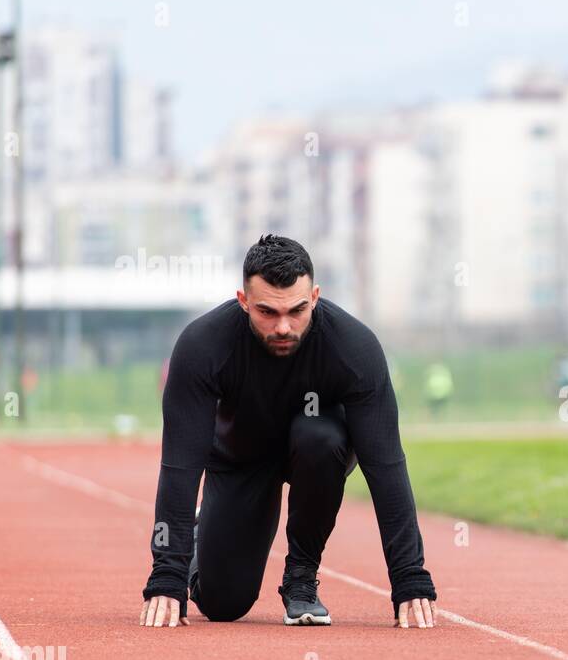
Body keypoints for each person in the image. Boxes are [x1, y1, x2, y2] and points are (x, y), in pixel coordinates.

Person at [138, 234, 437, 630]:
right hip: (241, 459)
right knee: (223, 603)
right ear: (243, 301)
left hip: (318, 448)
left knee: (320, 436)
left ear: (314, 296)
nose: (283, 326)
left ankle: (300, 577)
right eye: (267, 312)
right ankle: (200, 538)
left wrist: (409, 577)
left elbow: (386, 465)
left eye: (297, 310)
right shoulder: (203, 346)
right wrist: (168, 576)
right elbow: (180, 466)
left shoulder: (354, 348)